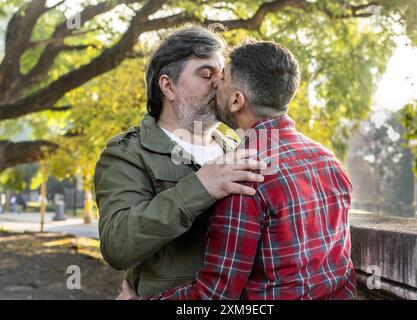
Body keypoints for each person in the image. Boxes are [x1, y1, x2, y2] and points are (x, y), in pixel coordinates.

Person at [122, 40, 356, 300]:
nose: (215, 84)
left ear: (236, 101)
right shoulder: (329, 161)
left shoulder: (242, 175)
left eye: (222, 78)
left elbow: (214, 295)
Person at [94, 26, 266, 297]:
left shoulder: (241, 149)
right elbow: (118, 245)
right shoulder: (128, 153)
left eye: (221, 76)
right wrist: (201, 187)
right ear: (168, 86)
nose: (218, 84)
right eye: (206, 74)